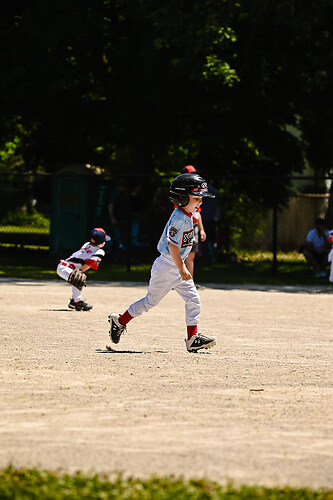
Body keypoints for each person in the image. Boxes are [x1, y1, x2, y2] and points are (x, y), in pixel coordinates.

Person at [107, 172, 217, 353]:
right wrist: (181, 268)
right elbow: (173, 246)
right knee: (150, 302)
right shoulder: (180, 218)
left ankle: (192, 338)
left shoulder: (188, 214)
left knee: (193, 299)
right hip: (168, 266)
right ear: (182, 198)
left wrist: (180, 267)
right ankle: (119, 321)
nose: (201, 202)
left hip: (175, 265)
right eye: (197, 198)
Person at [57, 227, 110, 311]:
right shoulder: (100, 252)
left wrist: (79, 272)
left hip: (63, 266)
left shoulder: (86, 244)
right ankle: (77, 302)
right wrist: (80, 271)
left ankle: (75, 301)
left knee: (77, 280)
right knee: (79, 279)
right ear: (103, 243)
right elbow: (89, 263)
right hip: (66, 268)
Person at [181, 165, 206, 279]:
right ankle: (180, 281)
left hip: (194, 226)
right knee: (181, 255)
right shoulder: (181, 192)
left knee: (191, 256)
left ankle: (189, 282)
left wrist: (201, 229)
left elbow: (198, 213)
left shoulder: (196, 191)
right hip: (185, 226)